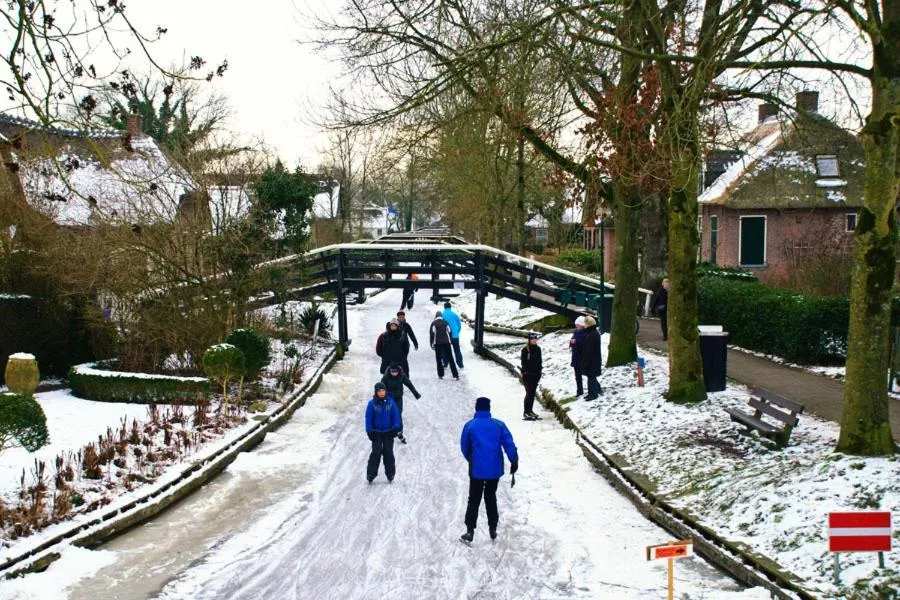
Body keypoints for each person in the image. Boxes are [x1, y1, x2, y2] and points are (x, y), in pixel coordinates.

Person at [459, 397, 518, 543]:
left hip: (477, 470)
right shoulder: (498, 425)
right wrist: (514, 460)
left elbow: (464, 447)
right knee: (490, 497)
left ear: (477, 408)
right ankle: (492, 528)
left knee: (474, 498)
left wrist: (472, 459)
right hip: (494, 469)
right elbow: (509, 444)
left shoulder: (470, 425)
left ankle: (470, 530)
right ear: (489, 408)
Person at [365, 382, 401, 483]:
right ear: (376, 392)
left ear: (386, 391)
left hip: (388, 433)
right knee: (376, 453)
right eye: (379, 391)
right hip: (376, 433)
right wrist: (369, 431)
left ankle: (390, 473)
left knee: (388, 453)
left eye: (383, 391)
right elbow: (368, 418)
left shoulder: (390, 403)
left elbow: (395, 416)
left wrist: (396, 428)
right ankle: (371, 474)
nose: (381, 393)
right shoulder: (371, 404)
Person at [381, 362, 421, 444]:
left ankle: (399, 431)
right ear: (390, 371)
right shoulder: (386, 377)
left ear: (398, 371)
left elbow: (409, 384)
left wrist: (415, 393)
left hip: (398, 398)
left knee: (398, 413)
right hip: (388, 398)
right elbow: (380, 388)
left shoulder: (401, 375)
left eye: (396, 372)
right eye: (392, 372)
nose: (394, 373)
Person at [430, 311, 459, 379]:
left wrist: (431, 343)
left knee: (439, 359)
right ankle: (455, 375)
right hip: (446, 343)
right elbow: (449, 332)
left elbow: (432, 334)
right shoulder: (446, 322)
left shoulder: (433, 323)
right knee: (451, 359)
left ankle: (441, 375)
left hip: (437, 343)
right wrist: (451, 341)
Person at [520, 332, 542, 420]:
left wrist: (539, 372)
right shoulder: (525, 350)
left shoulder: (538, 349)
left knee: (532, 394)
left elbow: (539, 361)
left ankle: (530, 410)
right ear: (529, 340)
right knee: (529, 393)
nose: (534, 340)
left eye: (535, 339)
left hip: (536, 374)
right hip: (528, 375)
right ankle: (526, 411)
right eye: (532, 339)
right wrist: (525, 373)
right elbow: (524, 362)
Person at [581, 315, 603, 400]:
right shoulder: (593, 333)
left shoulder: (591, 335)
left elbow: (589, 350)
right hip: (594, 359)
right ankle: (596, 390)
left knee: (591, 377)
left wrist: (586, 361)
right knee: (591, 376)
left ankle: (593, 394)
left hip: (592, 360)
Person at [441, 301, 464, 369]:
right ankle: (460, 364)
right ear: (450, 307)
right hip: (455, 336)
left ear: (444, 307)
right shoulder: (455, 315)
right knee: (457, 350)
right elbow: (459, 326)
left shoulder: (442, 315)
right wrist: (456, 333)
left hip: (446, 336)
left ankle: (445, 363)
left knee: (445, 350)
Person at [396, 310, 419, 376]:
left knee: (404, 360)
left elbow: (411, 334)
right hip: (397, 346)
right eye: (400, 317)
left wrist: (415, 343)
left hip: (405, 346)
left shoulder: (406, 325)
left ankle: (406, 375)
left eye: (402, 317)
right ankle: (398, 374)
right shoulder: (395, 325)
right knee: (398, 360)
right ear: (397, 317)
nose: (401, 318)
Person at [569, 316, 587, 397]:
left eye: (578, 325)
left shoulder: (585, 333)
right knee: (577, 375)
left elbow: (584, 343)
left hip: (582, 356)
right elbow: (572, 340)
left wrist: (576, 341)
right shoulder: (576, 332)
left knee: (588, 374)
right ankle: (579, 391)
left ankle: (595, 387)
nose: (576, 327)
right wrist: (571, 343)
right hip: (576, 357)